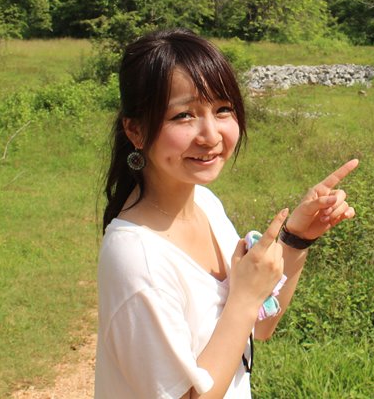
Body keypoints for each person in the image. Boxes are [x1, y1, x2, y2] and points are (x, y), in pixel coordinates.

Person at [95, 28, 358, 399]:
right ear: (135, 130)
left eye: (222, 110)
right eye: (183, 115)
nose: (211, 135)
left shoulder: (205, 204)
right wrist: (245, 297)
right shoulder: (137, 258)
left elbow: (258, 328)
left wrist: (297, 239)